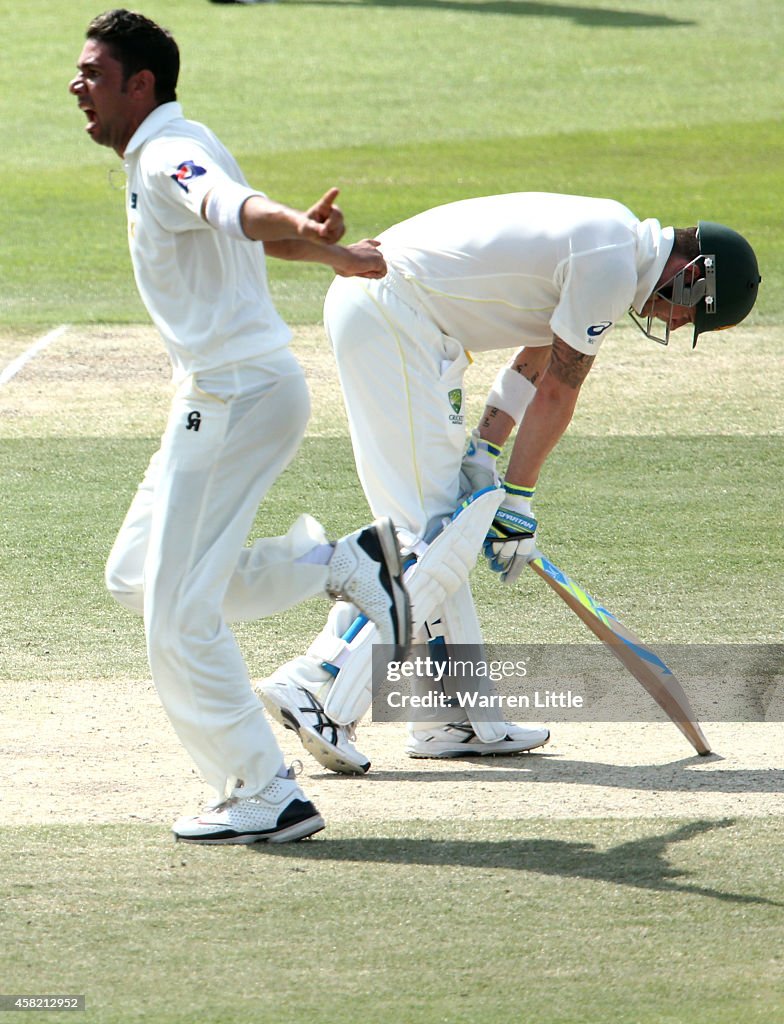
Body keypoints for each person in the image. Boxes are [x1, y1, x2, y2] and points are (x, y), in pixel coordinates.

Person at [260, 191, 761, 774]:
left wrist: (487, 446)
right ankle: (317, 684)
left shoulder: (611, 245)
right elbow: (560, 389)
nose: (672, 320)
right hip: (395, 314)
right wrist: (517, 498)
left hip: (395, 316)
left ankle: (452, 717)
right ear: (694, 277)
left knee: (437, 533)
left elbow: (540, 354)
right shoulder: (612, 260)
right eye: (689, 311)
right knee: (437, 534)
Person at [69, 9, 412, 844]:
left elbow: (232, 206)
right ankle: (340, 561)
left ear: (141, 84)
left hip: (231, 400)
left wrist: (297, 224)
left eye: (94, 74)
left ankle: (264, 789)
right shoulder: (175, 141)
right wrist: (326, 251)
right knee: (137, 576)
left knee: (178, 616)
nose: (77, 88)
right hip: (228, 392)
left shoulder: (164, 153)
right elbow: (241, 230)